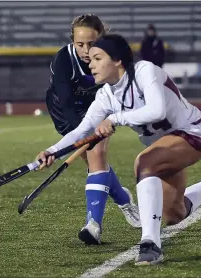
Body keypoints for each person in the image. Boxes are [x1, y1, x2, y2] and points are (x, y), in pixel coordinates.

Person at [37, 34, 201, 265]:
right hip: (163, 146)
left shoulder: (144, 71)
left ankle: (150, 243)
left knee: (144, 163)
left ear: (118, 60)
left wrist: (116, 119)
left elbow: (157, 110)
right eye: (89, 59)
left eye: (97, 58)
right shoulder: (105, 95)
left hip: (191, 133)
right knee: (175, 214)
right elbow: (82, 130)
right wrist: (52, 151)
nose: (90, 64)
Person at [45, 14, 141, 245]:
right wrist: (81, 133)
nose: (86, 50)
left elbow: (122, 89)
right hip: (64, 111)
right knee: (93, 162)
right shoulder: (64, 59)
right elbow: (67, 101)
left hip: (99, 107)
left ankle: (93, 225)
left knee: (96, 155)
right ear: (73, 42)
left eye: (91, 43)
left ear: (102, 38)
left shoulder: (112, 58)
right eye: (80, 44)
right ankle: (123, 199)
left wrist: (115, 118)